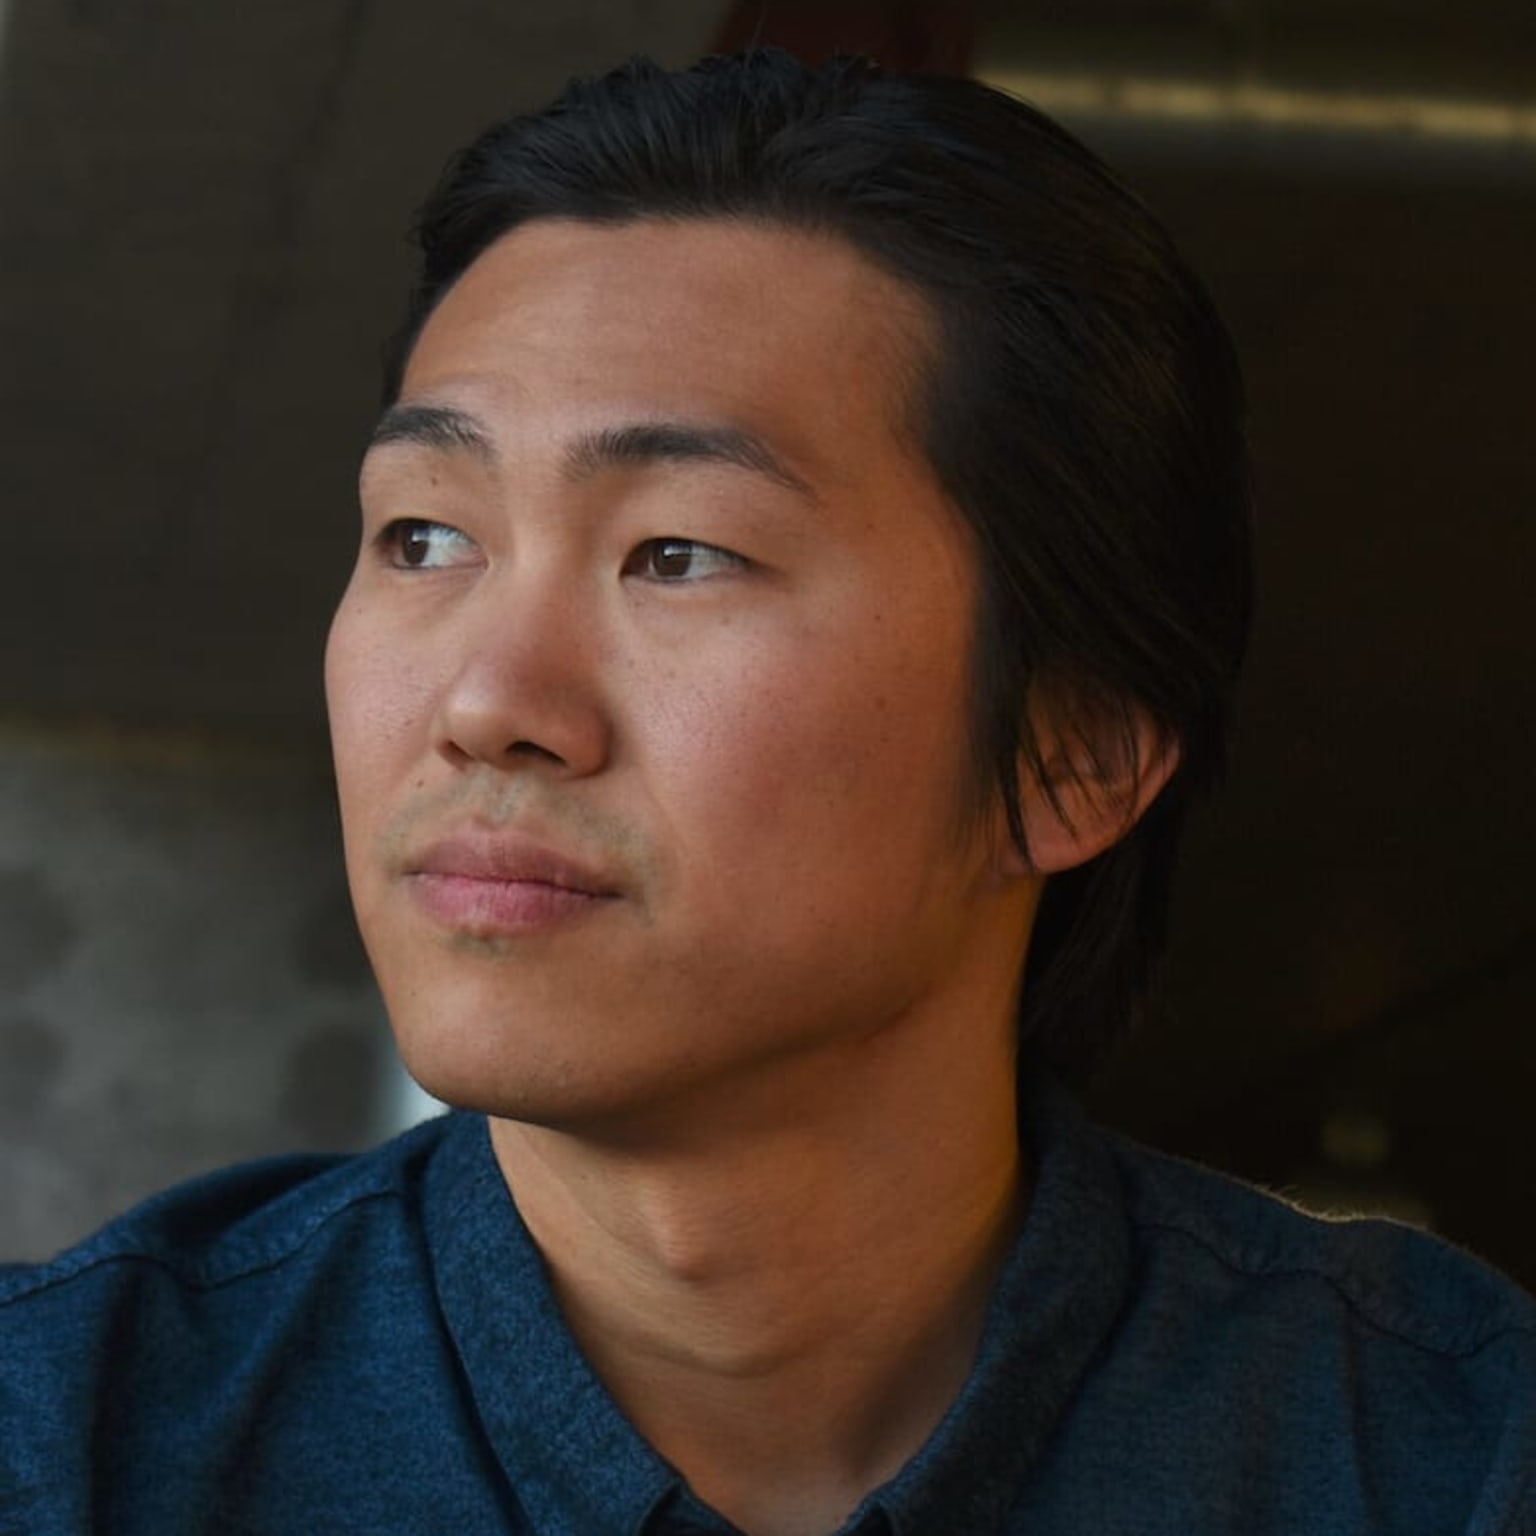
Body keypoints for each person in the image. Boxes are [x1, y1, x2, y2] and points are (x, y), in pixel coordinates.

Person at [2, 48, 1531, 1536]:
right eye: (424, 536)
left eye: (677, 553)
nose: (486, 706)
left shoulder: (1440, 1458)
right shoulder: (66, 1443)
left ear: (1073, 755)